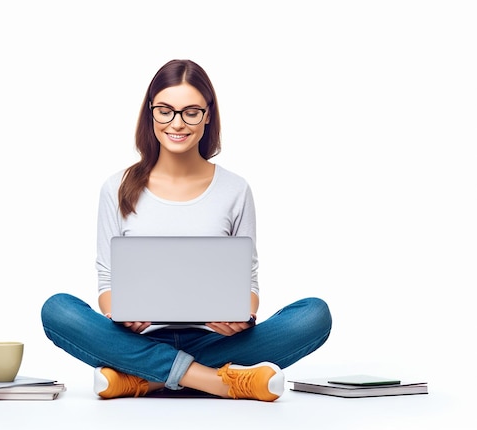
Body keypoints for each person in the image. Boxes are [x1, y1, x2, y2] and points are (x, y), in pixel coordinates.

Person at [41, 59, 332, 401]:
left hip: (215, 339)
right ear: (150, 113)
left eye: (191, 112)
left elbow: (249, 283)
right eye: (165, 110)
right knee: (57, 309)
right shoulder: (116, 187)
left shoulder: (235, 189)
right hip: (137, 339)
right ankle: (220, 382)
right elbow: (107, 281)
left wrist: (241, 315)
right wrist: (118, 311)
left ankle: (141, 380)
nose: (177, 123)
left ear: (208, 115)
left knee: (314, 315)